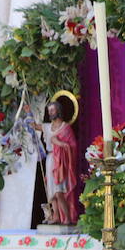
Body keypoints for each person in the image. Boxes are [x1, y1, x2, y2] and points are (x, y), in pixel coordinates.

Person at [37, 96, 79, 225]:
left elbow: (73, 146)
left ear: (58, 111)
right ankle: (56, 217)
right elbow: (34, 125)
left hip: (61, 162)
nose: (50, 113)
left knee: (59, 191)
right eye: (49, 111)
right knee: (52, 193)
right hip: (50, 159)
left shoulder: (65, 128)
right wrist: (27, 112)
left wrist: (61, 144)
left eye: (53, 110)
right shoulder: (48, 127)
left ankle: (67, 218)